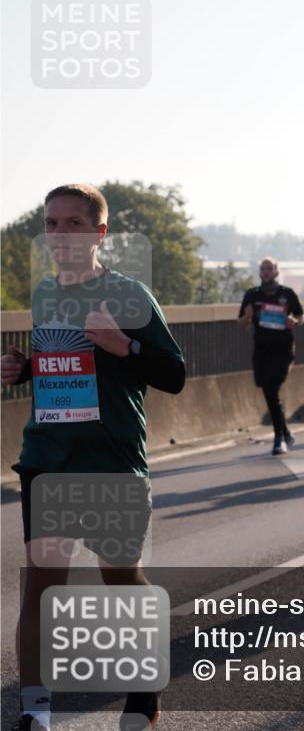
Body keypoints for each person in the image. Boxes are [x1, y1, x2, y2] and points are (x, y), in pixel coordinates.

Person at [2, 184, 186, 731]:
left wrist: (123, 345)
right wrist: (24, 369)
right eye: (51, 224)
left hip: (110, 459)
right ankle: (36, 712)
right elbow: (62, 360)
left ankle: (144, 689)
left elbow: (173, 374)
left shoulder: (129, 295)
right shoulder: (43, 294)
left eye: (73, 224)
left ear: (99, 233)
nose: (59, 235)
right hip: (48, 457)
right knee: (41, 585)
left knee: (121, 579)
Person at [238, 257, 304, 455]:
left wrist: (294, 320)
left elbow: (302, 315)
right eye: (263, 269)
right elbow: (241, 323)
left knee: (272, 386)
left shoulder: (286, 293)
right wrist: (248, 316)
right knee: (267, 389)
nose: (266, 271)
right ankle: (285, 430)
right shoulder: (252, 295)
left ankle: (278, 438)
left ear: (276, 271)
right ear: (260, 272)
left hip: (283, 350)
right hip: (261, 350)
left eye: (270, 268)